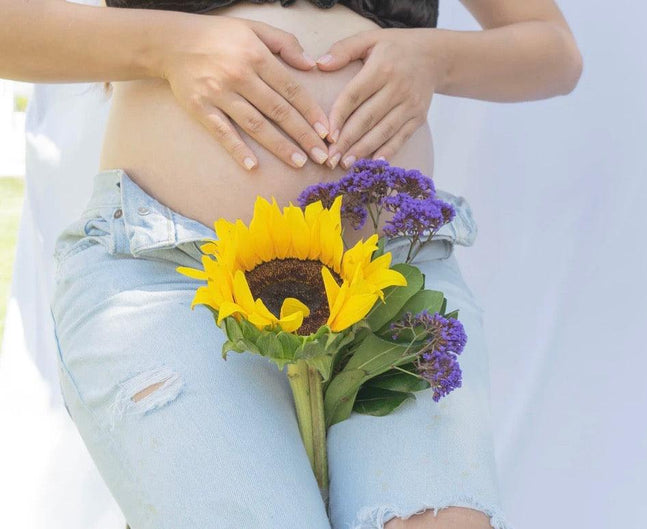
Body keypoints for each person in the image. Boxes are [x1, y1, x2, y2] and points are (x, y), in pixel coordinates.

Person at [1, 1, 581, 528]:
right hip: (173, 271)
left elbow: (553, 51)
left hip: (389, 278)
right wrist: (168, 45)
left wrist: (435, 60)